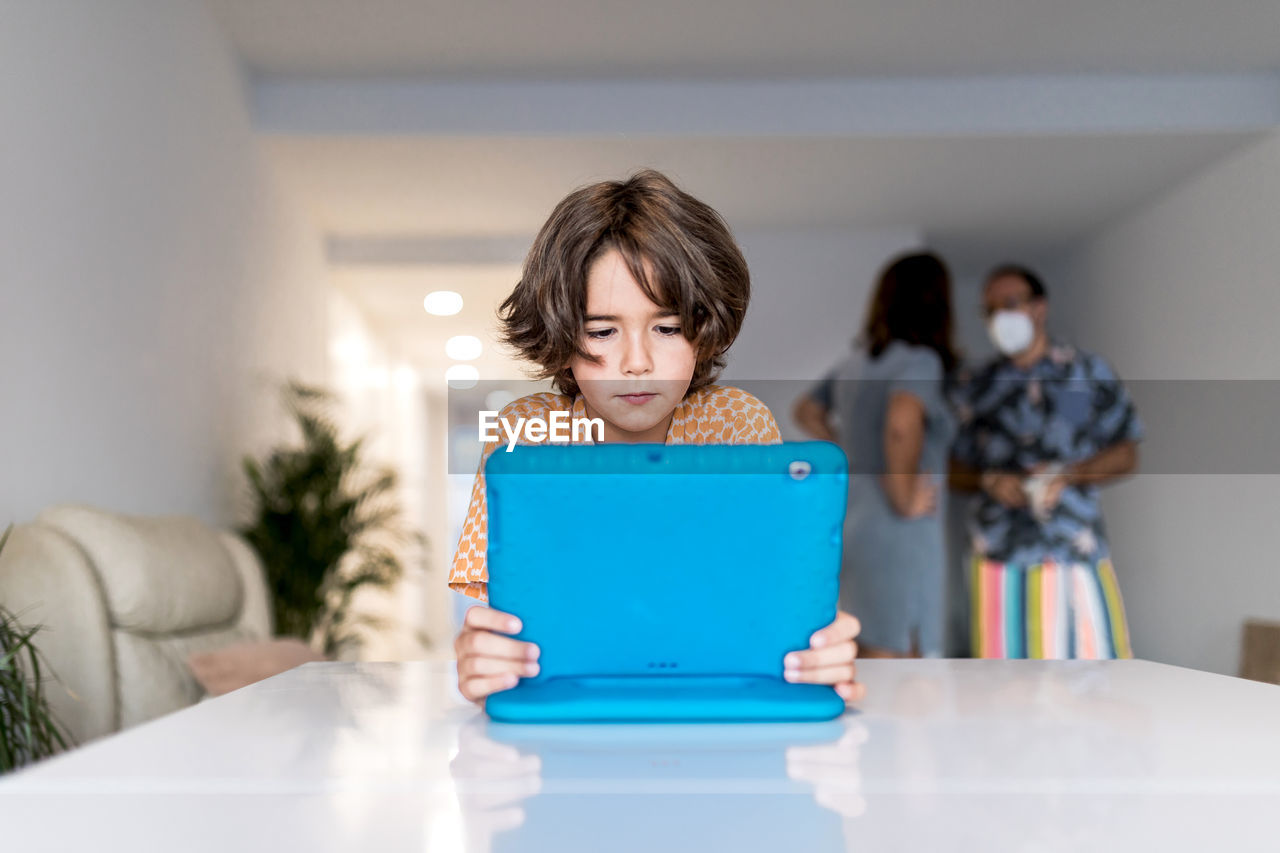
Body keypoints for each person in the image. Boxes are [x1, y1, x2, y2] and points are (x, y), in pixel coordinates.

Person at [448, 170, 864, 707]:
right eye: (602, 331)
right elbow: (498, 617)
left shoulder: (738, 422)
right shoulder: (523, 435)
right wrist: (482, 657)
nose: (637, 363)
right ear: (561, 334)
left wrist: (816, 649)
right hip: (565, 720)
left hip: (715, 715)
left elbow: (766, 600)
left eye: (666, 328)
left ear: (704, 328)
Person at [950, 264, 1142, 659]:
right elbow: (950, 467)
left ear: (1039, 308)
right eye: (989, 310)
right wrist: (989, 481)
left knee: (1096, 683)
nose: (999, 316)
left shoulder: (1087, 372)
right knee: (1006, 692)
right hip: (999, 559)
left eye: (1009, 303)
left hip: (1074, 550)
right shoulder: (974, 385)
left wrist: (1070, 474)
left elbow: (1127, 452)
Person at [795, 252, 958, 658]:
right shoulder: (920, 361)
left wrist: (849, 449)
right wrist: (905, 499)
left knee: (868, 654)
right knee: (908, 668)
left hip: (856, 523)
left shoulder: (855, 364)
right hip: (900, 532)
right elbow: (901, 424)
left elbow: (806, 410)